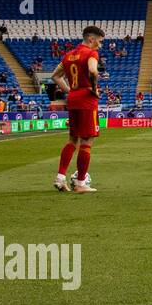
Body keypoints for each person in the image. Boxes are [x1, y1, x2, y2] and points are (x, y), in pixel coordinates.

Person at [50, 25, 105, 193]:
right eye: (100, 41)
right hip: (87, 101)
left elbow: (55, 76)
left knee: (72, 139)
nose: (100, 45)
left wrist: (71, 91)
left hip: (73, 99)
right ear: (91, 39)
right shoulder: (91, 53)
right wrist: (93, 88)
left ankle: (60, 178)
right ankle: (81, 183)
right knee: (87, 141)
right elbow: (93, 71)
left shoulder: (68, 56)